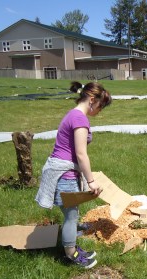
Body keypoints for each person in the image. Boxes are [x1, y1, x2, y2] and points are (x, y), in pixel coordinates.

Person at [36, 81, 112, 269]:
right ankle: (71, 254)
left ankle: (71, 246)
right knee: (71, 216)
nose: (99, 111)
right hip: (65, 174)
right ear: (92, 100)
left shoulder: (73, 114)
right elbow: (80, 153)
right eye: (100, 107)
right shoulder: (80, 119)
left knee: (72, 213)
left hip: (64, 171)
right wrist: (91, 181)